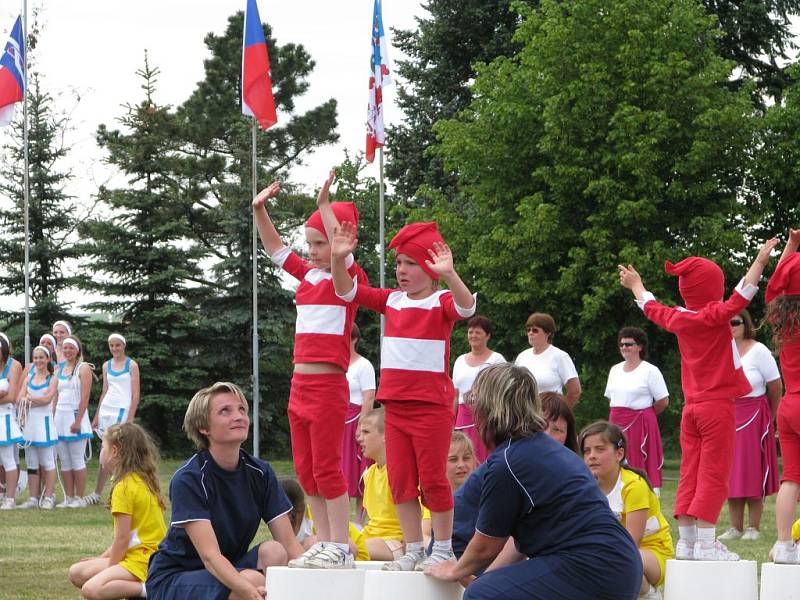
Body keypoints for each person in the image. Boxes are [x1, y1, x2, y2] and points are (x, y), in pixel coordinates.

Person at [330, 219, 476, 571]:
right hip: (395, 408)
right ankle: (413, 548)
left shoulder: (442, 300)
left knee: (434, 480)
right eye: (398, 264)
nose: (401, 270)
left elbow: (468, 307)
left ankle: (442, 547)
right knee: (401, 482)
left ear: (430, 267)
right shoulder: (392, 301)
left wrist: (451, 274)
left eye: (410, 263)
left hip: (430, 408)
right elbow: (347, 292)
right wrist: (338, 259)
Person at [618, 237, 777, 561]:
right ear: (711, 289)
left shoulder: (678, 318)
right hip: (717, 407)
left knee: (691, 471)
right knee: (714, 473)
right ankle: (707, 544)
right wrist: (761, 258)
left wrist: (636, 284)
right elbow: (745, 290)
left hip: (691, 408)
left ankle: (688, 542)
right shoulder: (716, 315)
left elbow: (649, 305)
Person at [426, 363, 642, 599]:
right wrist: (489, 577)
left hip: (590, 568)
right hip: (619, 565)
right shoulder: (548, 451)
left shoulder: (508, 462)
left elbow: (487, 546)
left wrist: (455, 570)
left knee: (482, 595)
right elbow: (518, 545)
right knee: (489, 588)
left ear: (489, 409)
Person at [253, 172, 365, 569]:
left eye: (321, 242)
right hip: (299, 384)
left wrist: (324, 207)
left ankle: (341, 543)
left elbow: (341, 253)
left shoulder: (347, 278)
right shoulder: (307, 275)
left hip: (328, 385)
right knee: (307, 470)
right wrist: (259, 208)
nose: (314, 250)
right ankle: (324, 540)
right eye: (311, 243)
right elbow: (275, 247)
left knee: (328, 468)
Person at [147, 382, 303, 600]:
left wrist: (317, 582)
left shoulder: (261, 472)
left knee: (275, 551)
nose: (238, 416)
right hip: (176, 576)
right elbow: (210, 557)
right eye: (225, 411)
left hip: (227, 566)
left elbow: (290, 545)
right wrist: (251, 592)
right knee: (251, 581)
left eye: (241, 409)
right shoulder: (189, 478)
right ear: (204, 428)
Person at [68, 423, 167, 599]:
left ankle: (148, 590)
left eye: (103, 447)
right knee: (76, 572)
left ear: (114, 451)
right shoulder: (140, 479)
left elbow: (122, 539)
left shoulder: (124, 487)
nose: (101, 452)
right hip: (142, 556)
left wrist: (109, 569)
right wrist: (101, 558)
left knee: (91, 589)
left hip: (143, 560)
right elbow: (127, 538)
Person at [581, 421, 674, 600]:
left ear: (619, 453)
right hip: (614, 549)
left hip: (652, 553)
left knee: (616, 557)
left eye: (600, 449)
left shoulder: (633, 486)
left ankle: (650, 594)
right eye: (587, 451)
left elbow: (631, 542)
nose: (592, 456)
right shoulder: (587, 487)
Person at [718, 309, 782, 542]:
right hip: (728, 414)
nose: (731, 326)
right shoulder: (721, 350)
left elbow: (775, 387)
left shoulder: (759, 351)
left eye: (735, 322)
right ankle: (735, 527)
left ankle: (753, 527)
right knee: (731, 471)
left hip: (755, 415)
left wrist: (772, 417)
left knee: (753, 470)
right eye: (726, 323)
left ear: (745, 323)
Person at [765, 228, 800, 564]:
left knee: (791, 478)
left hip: (790, 405)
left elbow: (778, 283)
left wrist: (790, 246)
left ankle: (786, 547)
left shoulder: (781, 317)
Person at [604, 326, 669, 491]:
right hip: (616, 424)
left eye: (629, 344)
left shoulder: (650, 371)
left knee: (638, 466)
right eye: (622, 345)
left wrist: (644, 416)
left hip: (640, 425)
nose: (624, 347)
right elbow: (612, 399)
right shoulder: (615, 370)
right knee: (614, 461)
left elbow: (663, 401)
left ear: (639, 347)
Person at [85, 333, 141, 505]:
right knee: (105, 453)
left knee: (120, 453)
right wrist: (96, 417)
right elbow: (104, 391)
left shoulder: (132, 365)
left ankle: (123, 491)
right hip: (107, 411)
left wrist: (130, 417)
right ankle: (97, 493)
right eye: (112, 345)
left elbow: (135, 393)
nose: (115, 348)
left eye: (118, 345)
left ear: (123, 346)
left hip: (122, 411)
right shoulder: (106, 365)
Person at [452, 315, 506, 462]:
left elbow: (503, 394)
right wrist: (452, 424)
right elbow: (455, 396)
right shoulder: (459, 361)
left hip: (487, 418)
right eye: (470, 332)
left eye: (478, 332)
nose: (473, 335)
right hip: (463, 419)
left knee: (486, 460)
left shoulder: (497, 360)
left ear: (487, 336)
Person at [280, 478, 370, 561]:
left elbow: (353, 548)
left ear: (291, 513)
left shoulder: (314, 521)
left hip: (359, 557)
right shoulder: (287, 523)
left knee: (310, 543)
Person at [359, 407, 406, 561]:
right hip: (372, 537)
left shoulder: (400, 472)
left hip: (394, 542)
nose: (360, 438)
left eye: (366, 432)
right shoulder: (369, 473)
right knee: (319, 541)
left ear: (386, 436)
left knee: (349, 549)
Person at [54, 335, 94, 508]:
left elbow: (85, 396)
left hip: (75, 417)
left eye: (71, 348)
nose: (68, 351)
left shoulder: (83, 368)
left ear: (77, 350)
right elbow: (55, 395)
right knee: (65, 460)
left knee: (77, 459)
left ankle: (79, 497)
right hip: (59, 419)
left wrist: (78, 421)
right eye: (65, 348)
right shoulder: (59, 369)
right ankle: (68, 497)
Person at [18, 345, 59, 510]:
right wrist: (28, 400)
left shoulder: (53, 379)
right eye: (35, 358)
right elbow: (20, 397)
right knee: (32, 462)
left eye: (41, 357)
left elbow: (47, 399)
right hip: (30, 425)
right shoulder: (28, 377)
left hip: (45, 424)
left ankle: (48, 497)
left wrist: (29, 399)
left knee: (48, 462)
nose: (38, 361)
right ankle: (33, 497)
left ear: (48, 359)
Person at [343, 323, 376, 519]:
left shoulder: (364, 366)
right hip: (337, 424)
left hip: (356, 422)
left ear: (354, 339)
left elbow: (369, 398)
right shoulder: (335, 363)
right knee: (339, 472)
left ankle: (359, 521)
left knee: (357, 470)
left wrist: (362, 427)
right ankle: (340, 523)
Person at [514, 313, 581, 407]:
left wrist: (562, 414)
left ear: (548, 333)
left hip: (549, 415)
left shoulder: (560, 356)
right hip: (523, 414)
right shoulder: (522, 356)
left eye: (535, 330)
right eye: (528, 330)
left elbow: (575, 391)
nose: (530, 333)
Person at [0, 333, 23, 509]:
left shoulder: (14, 366)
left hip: (6, 417)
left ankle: (10, 498)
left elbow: (12, 396)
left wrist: (4, 395)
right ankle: (2, 492)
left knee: (8, 458)